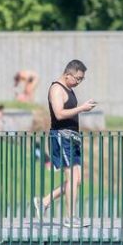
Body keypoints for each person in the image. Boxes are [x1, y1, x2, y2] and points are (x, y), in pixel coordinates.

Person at [33, 60, 96, 228]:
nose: (79, 82)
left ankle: (44, 201)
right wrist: (82, 108)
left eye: (81, 79)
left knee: (78, 180)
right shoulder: (56, 89)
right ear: (68, 74)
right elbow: (59, 114)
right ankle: (70, 218)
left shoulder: (69, 89)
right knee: (72, 178)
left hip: (72, 138)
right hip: (61, 137)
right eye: (77, 78)